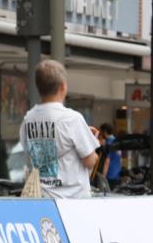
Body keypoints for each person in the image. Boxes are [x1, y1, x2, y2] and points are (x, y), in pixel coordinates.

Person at [19, 60, 99, 198]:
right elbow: (90, 160)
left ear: (38, 87)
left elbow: (29, 153)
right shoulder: (72, 119)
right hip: (72, 202)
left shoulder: (28, 119)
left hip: (42, 198)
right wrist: (92, 141)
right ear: (63, 86)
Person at [97, 123, 122, 188]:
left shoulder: (109, 143)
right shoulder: (116, 141)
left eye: (101, 131)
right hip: (117, 174)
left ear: (104, 131)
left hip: (110, 175)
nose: (100, 134)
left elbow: (107, 161)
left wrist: (103, 176)